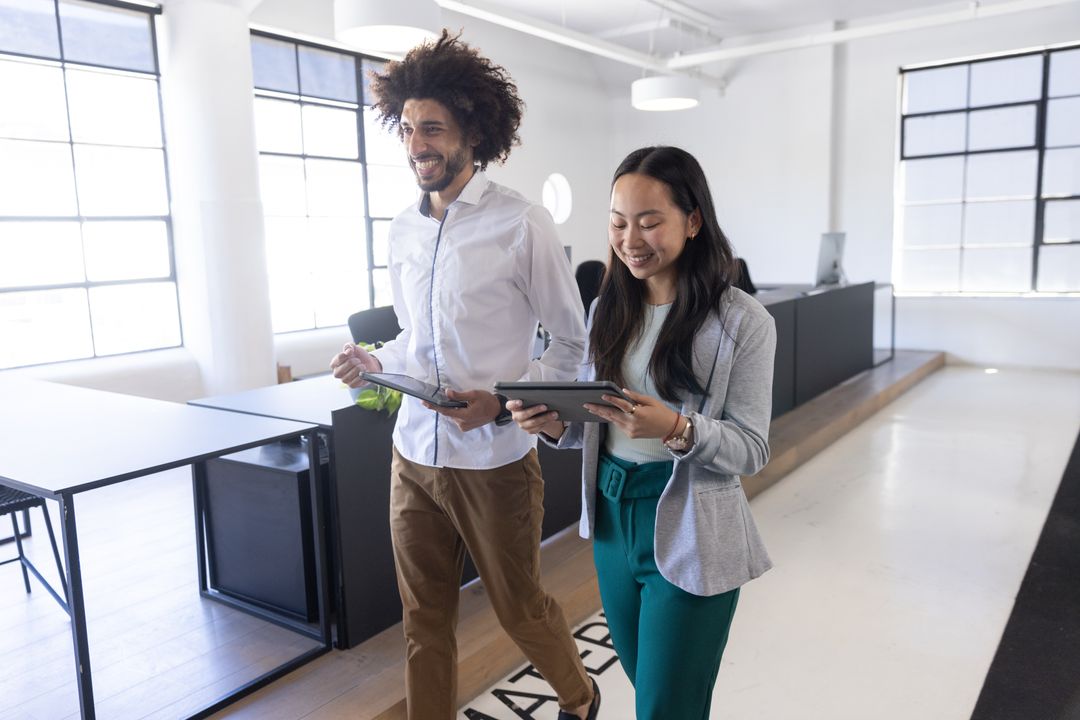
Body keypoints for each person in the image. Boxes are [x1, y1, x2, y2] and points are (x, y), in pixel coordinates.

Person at [329, 31, 600, 720]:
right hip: (413, 455)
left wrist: (504, 400)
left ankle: (580, 695)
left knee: (519, 609)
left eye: (435, 129)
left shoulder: (521, 224)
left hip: (496, 462)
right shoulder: (401, 231)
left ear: (472, 134)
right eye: (410, 128)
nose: (418, 143)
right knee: (424, 623)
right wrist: (374, 362)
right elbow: (414, 342)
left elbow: (572, 344)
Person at [509, 145, 776, 719]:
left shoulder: (743, 321)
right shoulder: (607, 306)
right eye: (618, 222)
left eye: (650, 222)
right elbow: (596, 420)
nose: (631, 239)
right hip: (611, 516)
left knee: (663, 707)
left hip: (690, 522)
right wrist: (555, 422)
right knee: (646, 685)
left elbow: (752, 449)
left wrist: (677, 428)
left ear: (693, 220)